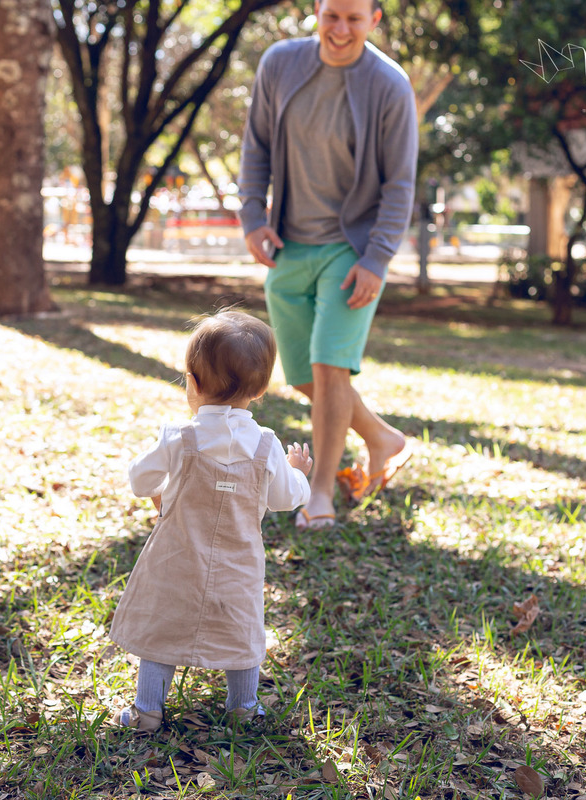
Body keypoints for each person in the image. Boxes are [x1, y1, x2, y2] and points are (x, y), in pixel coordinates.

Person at [237, 0, 419, 529]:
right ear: (316, 10)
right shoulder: (280, 64)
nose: (340, 29)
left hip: (352, 247)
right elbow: (257, 148)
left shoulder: (389, 84)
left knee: (329, 368)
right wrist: (253, 216)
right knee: (302, 375)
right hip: (289, 244)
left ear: (374, 20)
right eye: (331, 15)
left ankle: (320, 493)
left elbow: (399, 182)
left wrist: (377, 259)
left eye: (354, 19)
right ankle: (385, 438)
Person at [109, 311, 313, 731]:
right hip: (238, 562)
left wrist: (159, 490)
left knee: (162, 625)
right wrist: (298, 472)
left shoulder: (179, 437)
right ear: (259, 391)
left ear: (193, 383)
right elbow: (284, 498)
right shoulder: (266, 444)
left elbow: (138, 479)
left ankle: (147, 710)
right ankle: (243, 708)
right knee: (243, 630)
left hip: (177, 556)